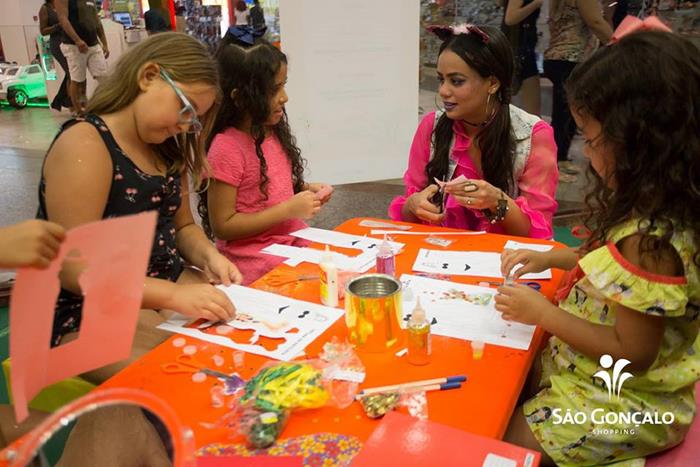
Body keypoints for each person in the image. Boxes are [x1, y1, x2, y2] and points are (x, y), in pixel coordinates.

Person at [497, 23, 700, 465]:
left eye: (590, 140)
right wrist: (552, 255)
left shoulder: (651, 241)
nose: (586, 154)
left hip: (627, 403)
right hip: (588, 372)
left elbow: (634, 353)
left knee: (499, 446)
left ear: (639, 143)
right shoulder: (658, 200)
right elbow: (609, 261)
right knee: (496, 381)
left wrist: (544, 314)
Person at [37, 32, 242, 383]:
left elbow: (182, 228)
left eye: (191, 120)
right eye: (184, 109)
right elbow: (73, 270)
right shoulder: (86, 144)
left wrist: (209, 256)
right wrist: (174, 295)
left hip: (161, 290)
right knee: (182, 378)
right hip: (85, 309)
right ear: (148, 76)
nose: (182, 125)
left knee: (237, 353)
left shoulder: (166, 148)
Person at [388, 25, 558, 239]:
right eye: (441, 79)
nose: (443, 91)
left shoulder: (533, 136)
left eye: (456, 81)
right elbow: (408, 213)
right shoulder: (431, 126)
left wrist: (497, 202)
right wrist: (413, 205)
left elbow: (536, 233)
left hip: (505, 259)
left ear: (493, 83)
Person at [199, 41, 332, 285]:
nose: (285, 97)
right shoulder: (226, 147)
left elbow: (265, 191)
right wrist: (289, 209)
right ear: (240, 98)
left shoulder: (271, 131)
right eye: (273, 90)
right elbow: (223, 225)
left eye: (284, 86)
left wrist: (303, 190)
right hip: (254, 260)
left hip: (288, 244)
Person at [544, 0, 612, 181]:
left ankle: (560, 157)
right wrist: (619, 43)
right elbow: (595, 21)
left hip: (559, 56)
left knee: (565, 112)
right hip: (571, 58)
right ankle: (556, 161)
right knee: (566, 113)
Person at [55, 0, 110, 115]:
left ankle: (106, 104)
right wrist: (77, 40)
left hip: (93, 44)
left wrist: (104, 43)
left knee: (103, 77)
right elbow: (63, 19)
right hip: (73, 46)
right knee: (77, 79)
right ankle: (78, 110)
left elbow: (96, 21)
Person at [501, 0, 543, 116]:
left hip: (517, 47)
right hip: (521, 48)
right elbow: (510, 18)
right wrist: (536, 3)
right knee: (532, 111)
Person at [39, 0, 72, 112]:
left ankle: (61, 100)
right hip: (57, 44)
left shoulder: (63, 4)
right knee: (71, 72)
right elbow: (43, 31)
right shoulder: (45, 9)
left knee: (72, 72)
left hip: (69, 42)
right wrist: (58, 26)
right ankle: (69, 102)